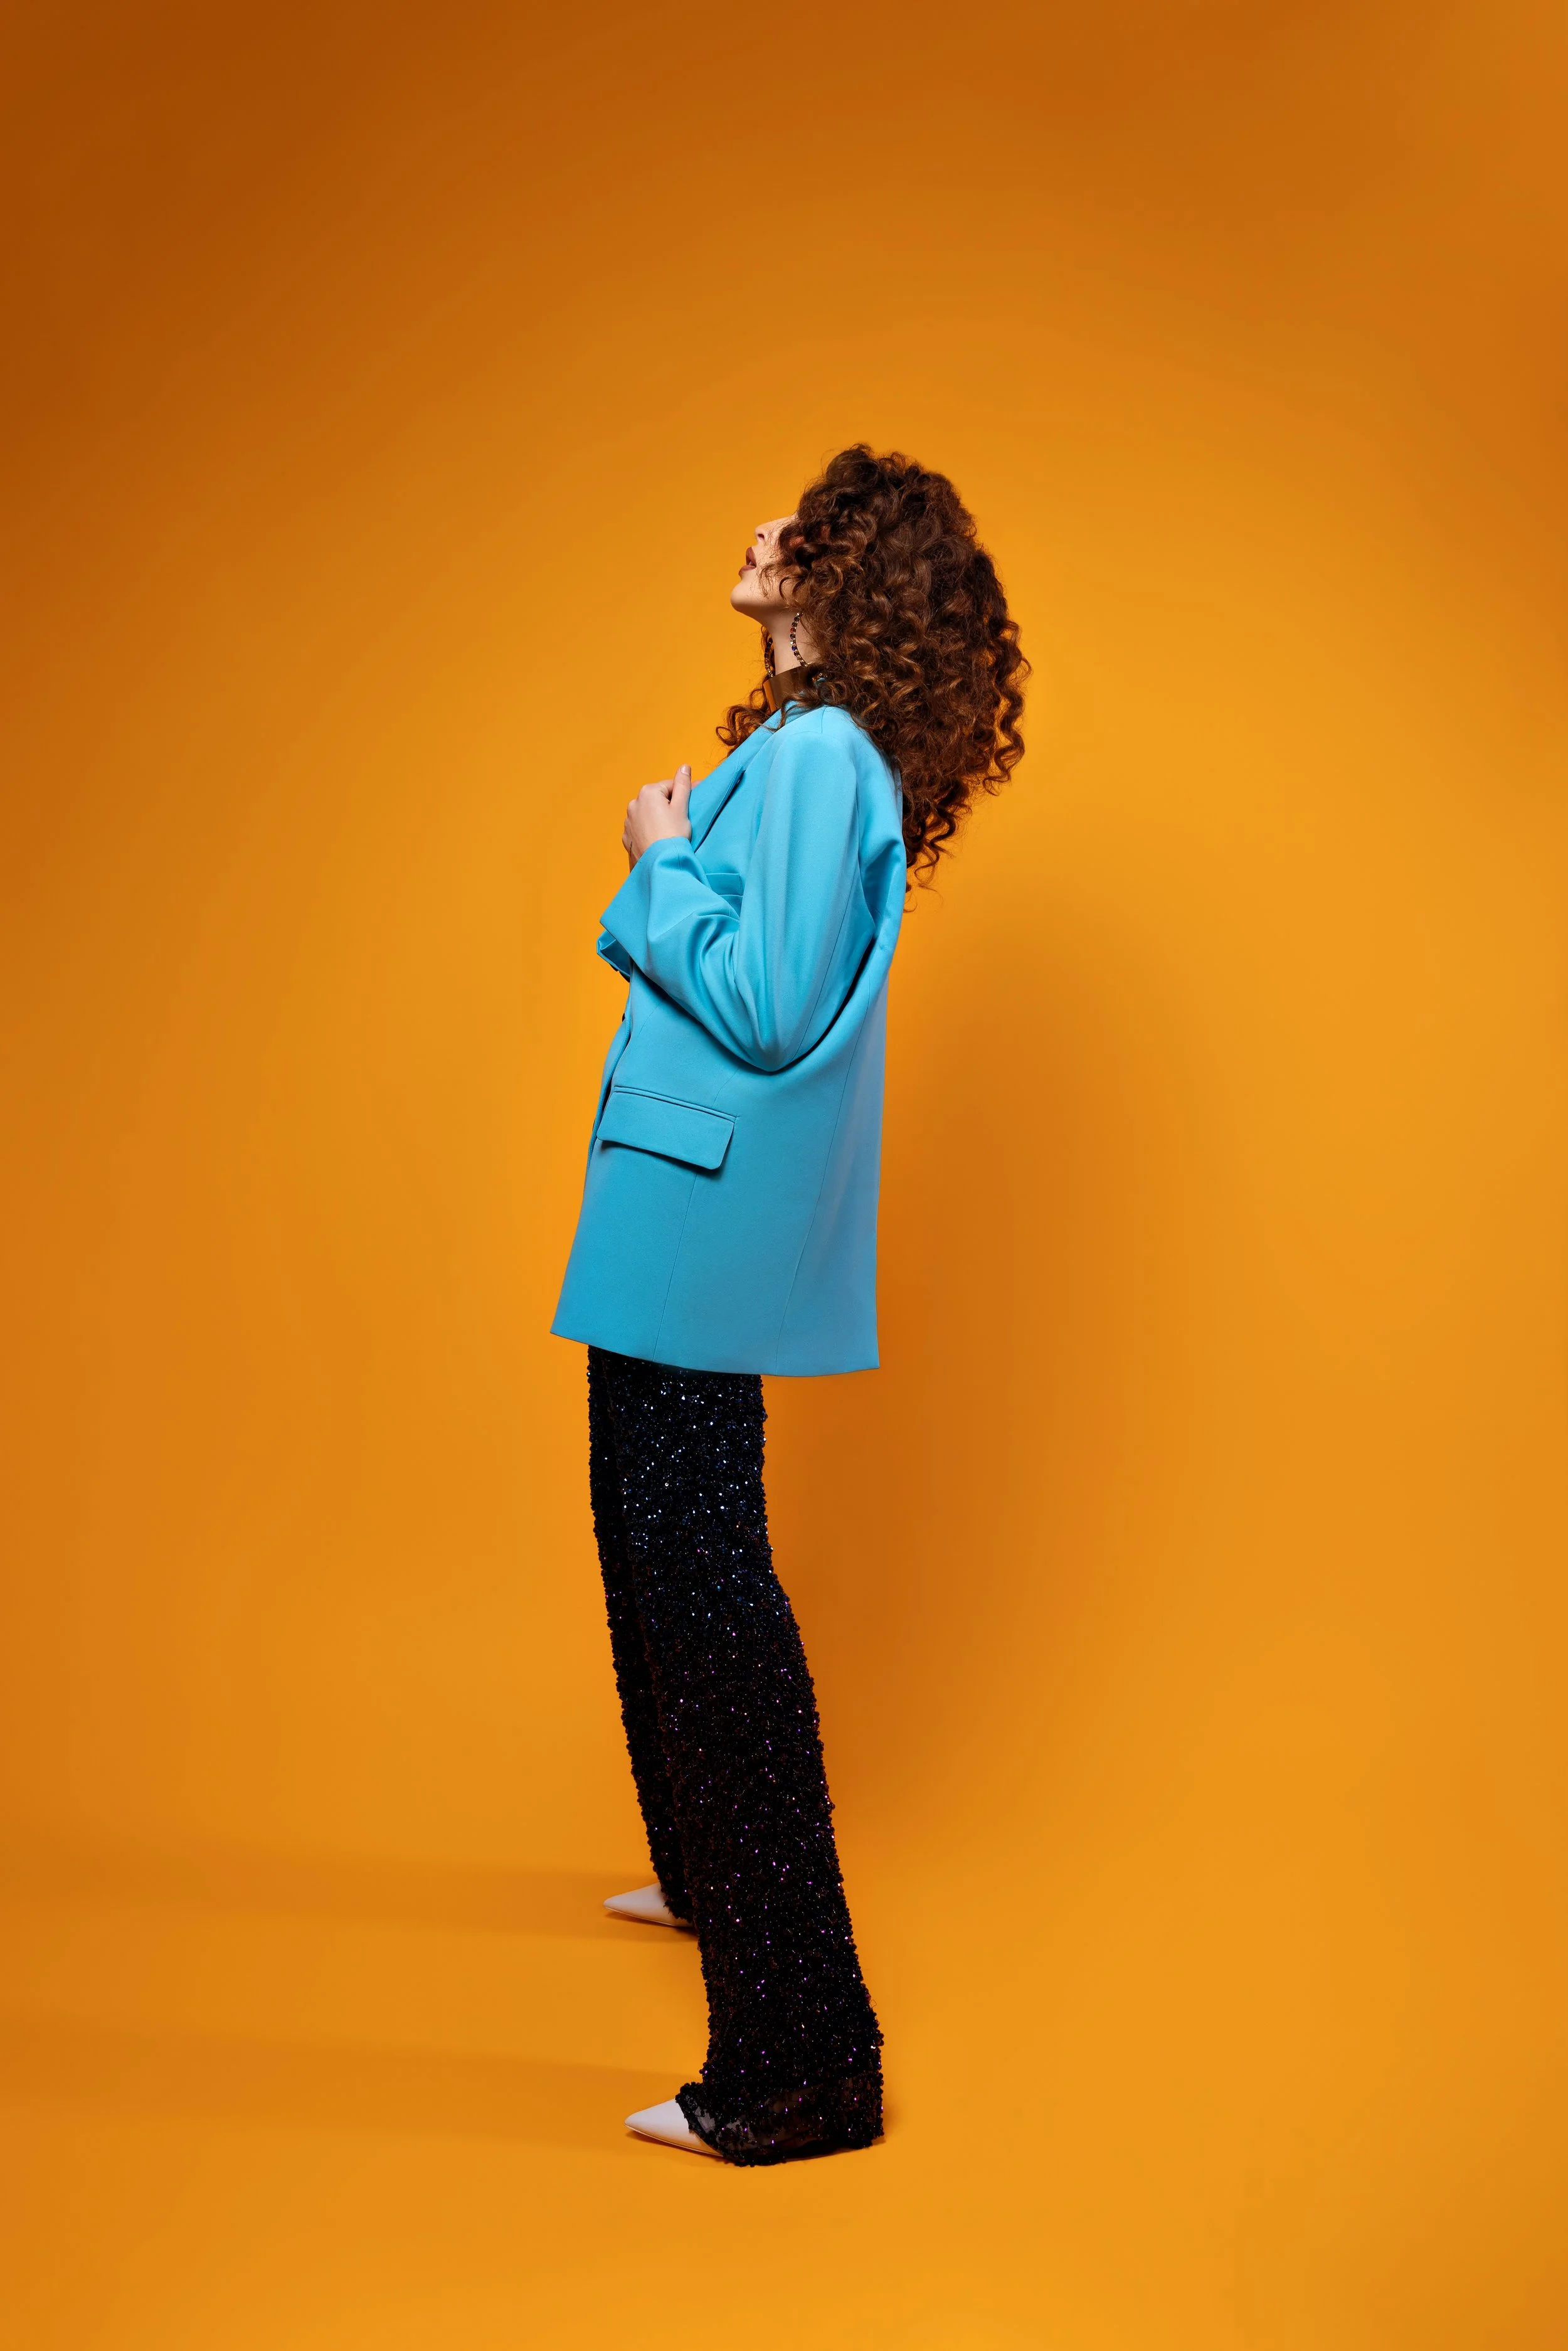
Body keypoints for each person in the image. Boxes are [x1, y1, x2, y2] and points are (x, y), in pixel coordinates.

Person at [551, 445, 1027, 2164]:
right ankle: (706, 1867)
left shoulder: (820, 759)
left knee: (703, 1588)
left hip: (704, 1219)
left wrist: (659, 857)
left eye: (804, 526)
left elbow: (760, 1005)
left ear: (850, 581)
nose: (762, 529)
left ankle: (804, 2061)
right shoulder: (804, 747)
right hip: (676, 1207)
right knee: (652, 1542)